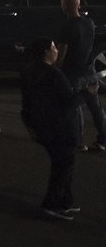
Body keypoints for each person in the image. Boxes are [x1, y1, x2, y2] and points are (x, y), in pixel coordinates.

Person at [21, 37, 82, 220]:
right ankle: (52, 204)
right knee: (63, 165)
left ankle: (66, 201)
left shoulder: (29, 72)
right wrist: (88, 93)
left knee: (62, 164)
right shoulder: (54, 75)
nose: (57, 50)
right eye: (54, 47)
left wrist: (29, 126)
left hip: (43, 127)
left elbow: (26, 104)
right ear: (47, 51)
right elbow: (69, 102)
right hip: (60, 127)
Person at [54, 0, 106, 151]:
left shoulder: (67, 26)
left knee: (75, 108)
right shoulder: (89, 23)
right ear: (78, 5)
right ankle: (103, 140)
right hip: (88, 70)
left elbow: (62, 51)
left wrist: (56, 67)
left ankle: (78, 142)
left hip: (73, 71)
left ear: (64, 7)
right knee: (95, 106)